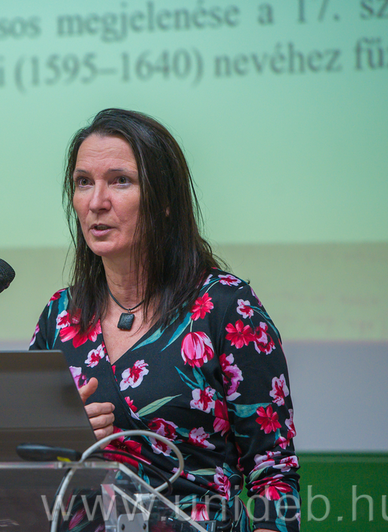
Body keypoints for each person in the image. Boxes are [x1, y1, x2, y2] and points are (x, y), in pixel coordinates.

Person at [30, 109, 300, 532]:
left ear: (166, 201)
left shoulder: (226, 307)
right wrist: (60, 440)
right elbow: (28, 461)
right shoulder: (61, 315)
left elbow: (273, 474)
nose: (96, 202)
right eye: (83, 182)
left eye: (120, 180)